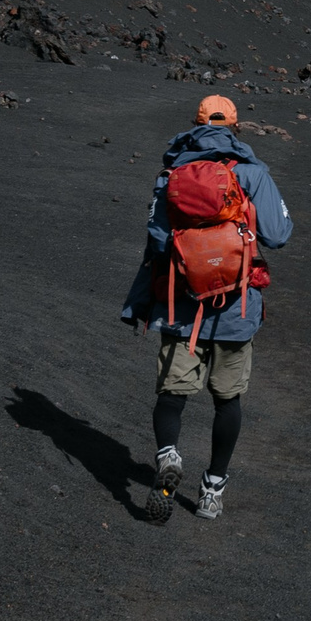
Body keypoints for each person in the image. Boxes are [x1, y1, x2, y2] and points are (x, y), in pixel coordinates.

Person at [120, 94, 291, 521]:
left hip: (180, 305)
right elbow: (278, 233)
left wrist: (142, 301)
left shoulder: (171, 174)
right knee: (228, 400)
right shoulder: (253, 174)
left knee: (172, 395)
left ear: (195, 125)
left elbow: (157, 242)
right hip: (237, 306)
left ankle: (168, 455)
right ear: (235, 128)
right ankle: (212, 489)